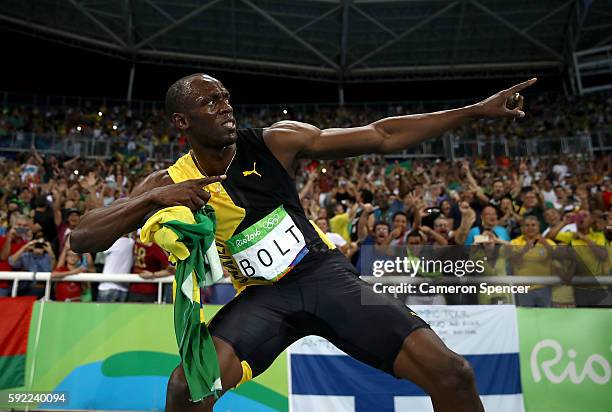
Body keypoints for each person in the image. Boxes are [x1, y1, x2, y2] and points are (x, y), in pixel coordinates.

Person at [71, 73, 536, 412]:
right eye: (210, 103)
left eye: (226, 98)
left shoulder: (276, 142)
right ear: (182, 121)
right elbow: (83, 237)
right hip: (262, 300)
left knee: (453, 375)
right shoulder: (169, 179)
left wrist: (474, 111)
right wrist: (154, 196)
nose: (225, 106)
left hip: (324, 276)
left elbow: (382, 135)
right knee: (186, 388)